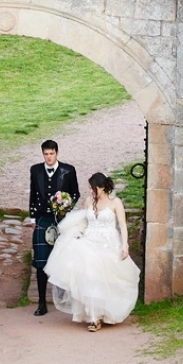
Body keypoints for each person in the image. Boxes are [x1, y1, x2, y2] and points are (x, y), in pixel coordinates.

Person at [43, 172, 139, 331]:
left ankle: (105, 312)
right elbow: (84, 221)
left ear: (101, 187)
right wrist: (76, 234)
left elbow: (122, 225)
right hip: (90, 239)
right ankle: (94, 317)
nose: (90, 191)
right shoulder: (89, 201)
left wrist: (125, 245)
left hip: (108, 242)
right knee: (89, 275)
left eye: (92, 188)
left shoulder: (115, 202)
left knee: (106, 278)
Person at [28, 139, 80, 316]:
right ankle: (42, 303)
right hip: (43, 219)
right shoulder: (35, 170)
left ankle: (65, 299)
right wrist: (33, 217)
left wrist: (65, 207)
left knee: (65, 259)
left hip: (62, 219)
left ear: (57, 153)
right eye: (46, 154)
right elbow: (33, 193)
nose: (49, 157)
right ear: (43, 154)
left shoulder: (68, 170)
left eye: (52, 154)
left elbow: (75, 193)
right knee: (41, 263)